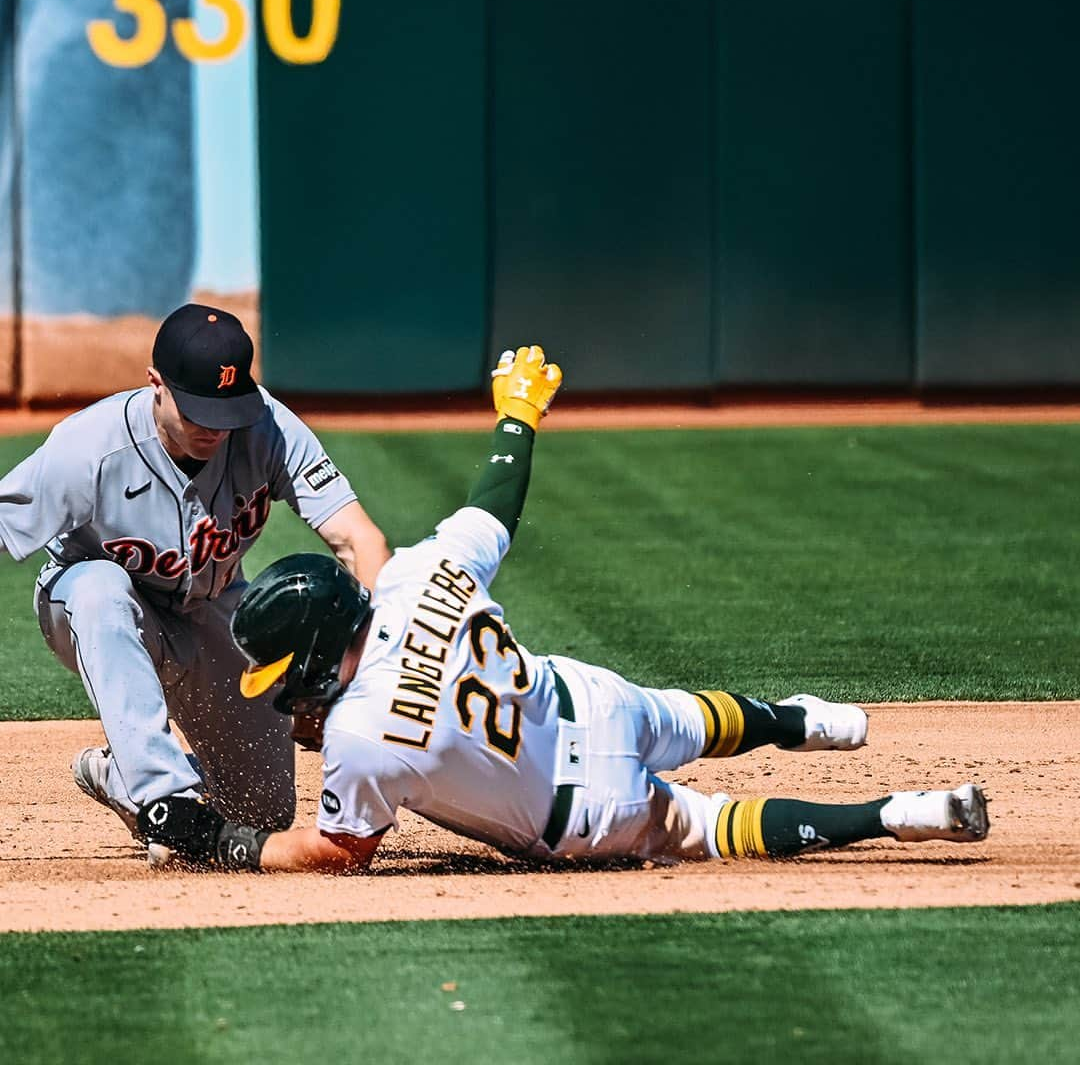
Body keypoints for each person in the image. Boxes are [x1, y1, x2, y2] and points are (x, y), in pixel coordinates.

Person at [133, 346, 989, 872]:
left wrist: (215, 840)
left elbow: (334, 855)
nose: (290, 703)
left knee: (714, 825)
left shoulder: (360, 740)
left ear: (318, 656)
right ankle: (806, 720)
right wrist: (517, 417)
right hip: (591, 698)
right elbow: (493, 511)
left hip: (586, 813)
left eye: (290, 681)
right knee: (693, 715)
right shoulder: (415, 574)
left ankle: (901, 815)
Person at [0, 302, 390, 833]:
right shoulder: (89, 448)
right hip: (91, 613)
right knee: (101, 588)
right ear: (155, 383)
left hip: (212, 610)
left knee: (262, 814)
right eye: (196, 412)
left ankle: (123, 778)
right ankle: (161, 798)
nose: (213, 428)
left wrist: (382, 662)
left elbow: (359, 539)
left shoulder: (268, 427)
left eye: (226, 413)